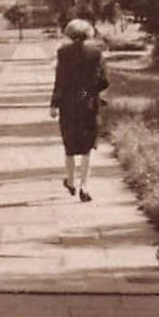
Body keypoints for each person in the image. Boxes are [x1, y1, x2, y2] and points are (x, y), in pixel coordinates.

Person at [50, 18, 108, 202]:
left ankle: (70, 180)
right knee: (86, 148)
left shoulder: (63, 53)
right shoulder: (96, 53)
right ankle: (84, 186)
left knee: (69, 146)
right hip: (89, 105)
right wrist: (87, 92)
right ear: (88, 34)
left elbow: (60, 80)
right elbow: (103, 81)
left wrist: (54, 103)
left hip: (68, 105)